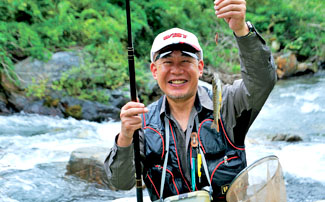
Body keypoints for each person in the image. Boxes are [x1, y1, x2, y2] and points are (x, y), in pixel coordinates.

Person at [104, 0, 276, 201]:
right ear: (154, 71)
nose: (177, 70)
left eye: (186, 61)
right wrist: (125, 137)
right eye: (167, 62)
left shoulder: (228, 103)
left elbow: (262, 81)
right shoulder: (141, 122)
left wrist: (241, 29)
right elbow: (120, 182)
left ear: (200, 67)